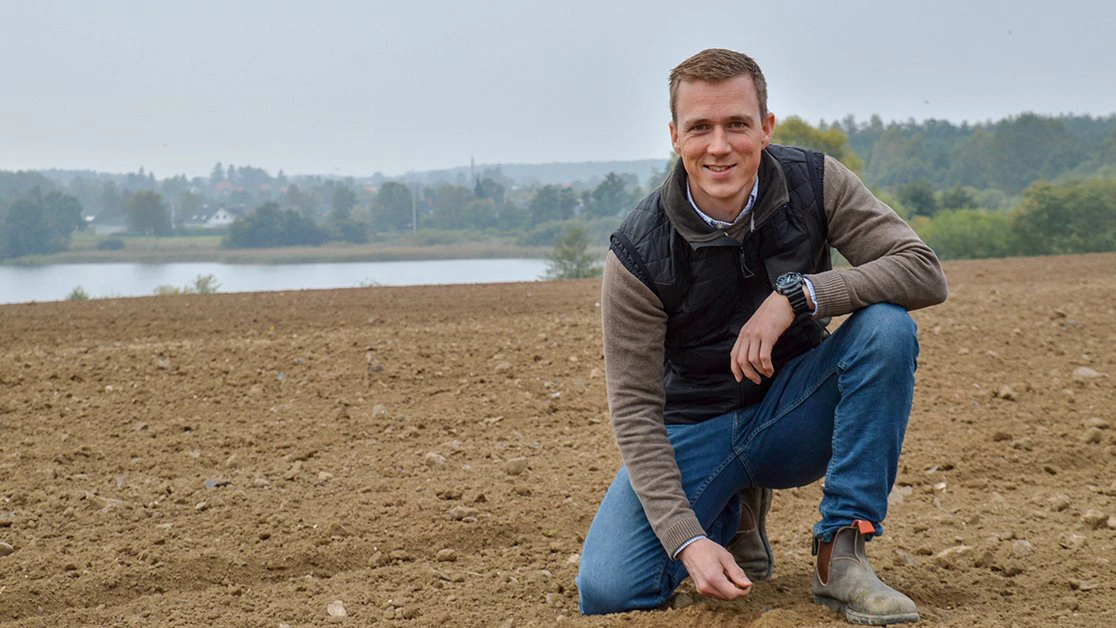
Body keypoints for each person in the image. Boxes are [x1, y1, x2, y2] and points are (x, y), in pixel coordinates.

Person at [576, 48, 948, 625]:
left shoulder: (817, 183)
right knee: (609, 590)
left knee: (886, 329)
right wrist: (685, 540)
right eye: (700, 127)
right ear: (675, 136)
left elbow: (922, 269)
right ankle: (732, 512)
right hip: (694, 428)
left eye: (737, 125)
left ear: (766, 129)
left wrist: (800, 295)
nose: (718, 145)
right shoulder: (636, 252)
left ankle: (840, 554)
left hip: (792, 414)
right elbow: (634, 410)